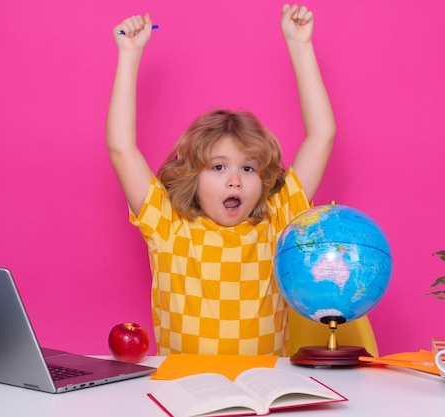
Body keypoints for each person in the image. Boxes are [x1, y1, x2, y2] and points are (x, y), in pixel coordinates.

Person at [106, 4, 335, 356]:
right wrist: (129, 55)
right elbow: (121, 148)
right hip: (186, 394)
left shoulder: (278, 222)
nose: (234, 181)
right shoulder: (169, 227)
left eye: (248, 168)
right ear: (192, 177)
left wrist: (300, 46)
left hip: (265, 391)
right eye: (218, 167)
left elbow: (322, 135)